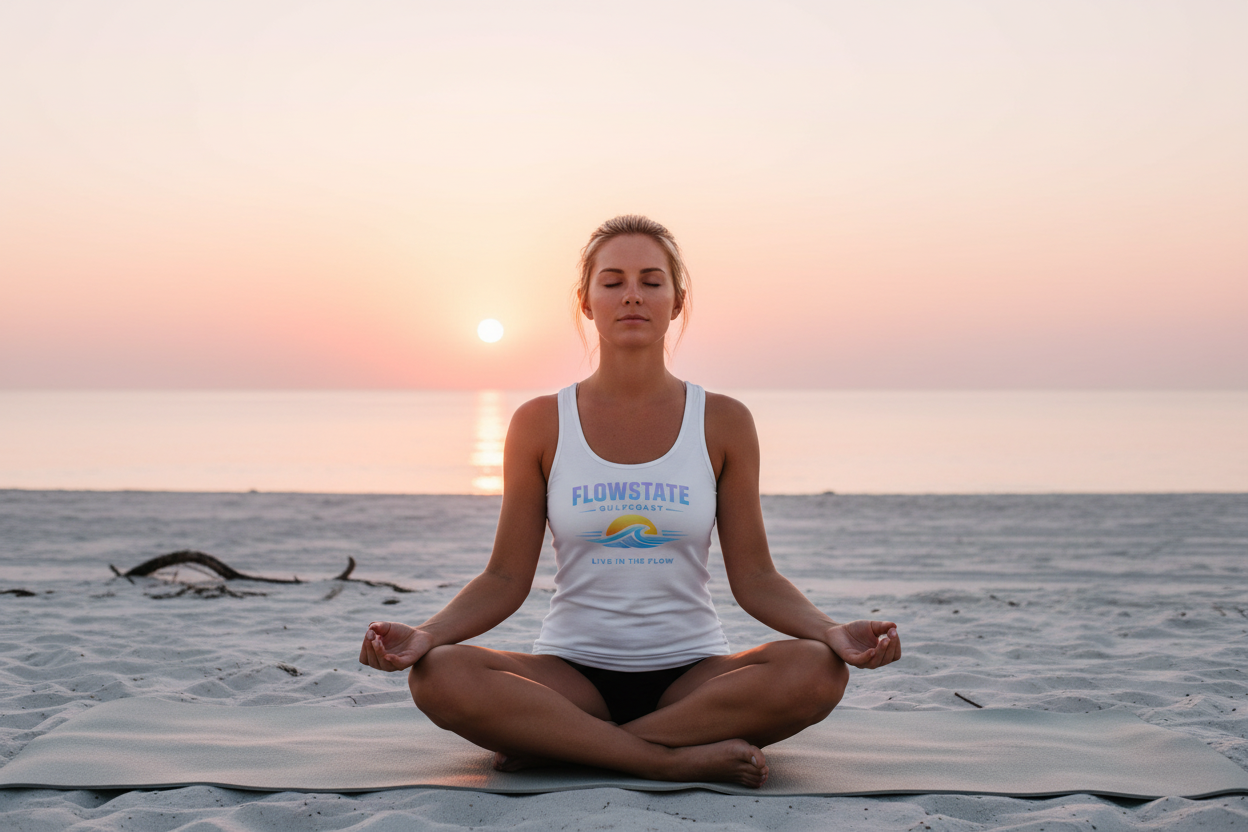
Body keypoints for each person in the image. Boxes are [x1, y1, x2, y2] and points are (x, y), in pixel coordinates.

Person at [359, 215, 901, 788]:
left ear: (677, 301)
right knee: (439, 673)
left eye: (651, 280)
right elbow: (504, 578)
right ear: (586, 302)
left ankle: (564, 745)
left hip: (694, 681)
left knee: (817, 668)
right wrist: (427, 634)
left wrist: (830, 630)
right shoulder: (540, 422)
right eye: (613, 281)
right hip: (569, 678)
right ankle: (663, 758)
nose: (633, 295)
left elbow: (757, 578)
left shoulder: (723, 421)